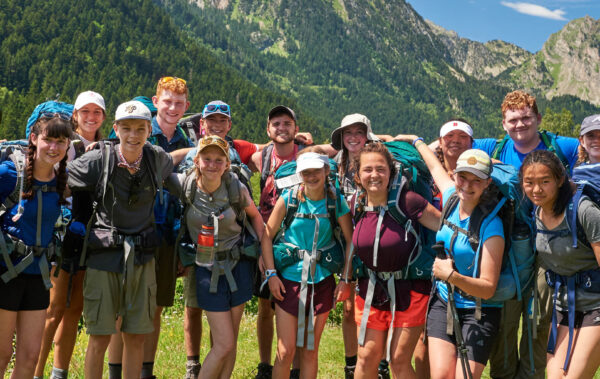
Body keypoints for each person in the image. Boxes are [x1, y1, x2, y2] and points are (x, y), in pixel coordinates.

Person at [472, 90, 579, 379]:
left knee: (539, 320)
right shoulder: (491, 148)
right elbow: (450, 146)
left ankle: (532, 375)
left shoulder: (561, 146)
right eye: (513, 119)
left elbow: (591, 147)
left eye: (526, 118)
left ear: (538, 119)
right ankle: (503, 375)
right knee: (505, 322)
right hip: (506, 250)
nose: (520, 124)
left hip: (549, 248)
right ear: (503, 124)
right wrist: (412, 140)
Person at [67, 100, 173, 379]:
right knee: (100, 337)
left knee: (136, 336)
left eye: (140, 128)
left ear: (149, 130)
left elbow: (176, 161)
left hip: (142, 258)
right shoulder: (98, 160)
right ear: (115, 129)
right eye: (126, 128)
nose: (133, 135)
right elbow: (62, 177)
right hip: (105, 257)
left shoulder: (157, 159)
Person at [400, 136, 506, 378]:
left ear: (487, 183)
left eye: (476, 180)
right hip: (443, 303)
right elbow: (434, 166)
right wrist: (416, 141)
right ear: (455, 175)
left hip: (479, 310)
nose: (467, 185)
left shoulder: (492, 227)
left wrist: (450, 275)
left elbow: (488, 289)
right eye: (462, 177)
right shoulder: (450, 199)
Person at [170, 135, 264, 378]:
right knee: (224, 343)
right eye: (206, 158)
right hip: (205, 267)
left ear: (226, 163)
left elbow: (255, 216)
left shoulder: (236, 187)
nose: (212, 164)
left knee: (230, 340)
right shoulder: (185, 185)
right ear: (197, 160)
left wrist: (264, 251)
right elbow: (157, 169)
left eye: (218, 159)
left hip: (238, 264)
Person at [349, 142, 440, 378]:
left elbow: (445, 228)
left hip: (411, 289)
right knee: (367, 357)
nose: (374, 175)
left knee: (398, 360)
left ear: (391, 172)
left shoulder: (409, 202)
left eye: (381, 169)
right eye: (367, 169)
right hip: (370, 288)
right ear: (358, 175)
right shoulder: (355, 204)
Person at [262, 151, 354, 379]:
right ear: (299, 174)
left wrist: (345, 279)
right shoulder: (289, 199)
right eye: (306, 172)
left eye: (316, 171)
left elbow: (351, 240)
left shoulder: (335, 202)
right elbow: (266, 235)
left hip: (322, 281)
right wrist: (271, 274)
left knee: (311, 351)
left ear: (326, 172)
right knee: (285, 351)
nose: (311, 176)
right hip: (288, 281)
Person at [35, 91, 106, 379]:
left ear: (103, 116)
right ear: (74, 115)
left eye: (97, 112)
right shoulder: (65, 144)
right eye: (85, 111)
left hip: (93, 233)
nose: (91, 117)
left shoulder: (107, 147)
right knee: (54, 308)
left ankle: (58, 372)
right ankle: (35, 372)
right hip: (64, 233)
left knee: (75, 308)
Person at [0, 114, 71, 378]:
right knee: (2, 353)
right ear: (34, 139)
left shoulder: (60, 180)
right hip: (5, 273)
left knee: (30, 357)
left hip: (38, 276)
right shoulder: (10, 174)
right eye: (48, 140)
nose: (54, 147)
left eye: (61, 141)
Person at [520, 150, 600, 378]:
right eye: (529, 182)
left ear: (560, 179)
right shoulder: (537, 211)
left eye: (545, 181)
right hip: (564, 305)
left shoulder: (584, 211)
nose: (536, 190)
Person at [249, 105, 302, 379]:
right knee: (264, 305)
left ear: (296, 128)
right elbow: (227, 145)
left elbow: (336, 148)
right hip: (267, 237)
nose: (282, 128)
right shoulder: (261, 157)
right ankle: (265, 364)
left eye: (287, 123)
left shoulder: (307, 156)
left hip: (296, 239)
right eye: (276, 124)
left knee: (296, 301)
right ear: (268, 130)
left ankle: (296, 367)